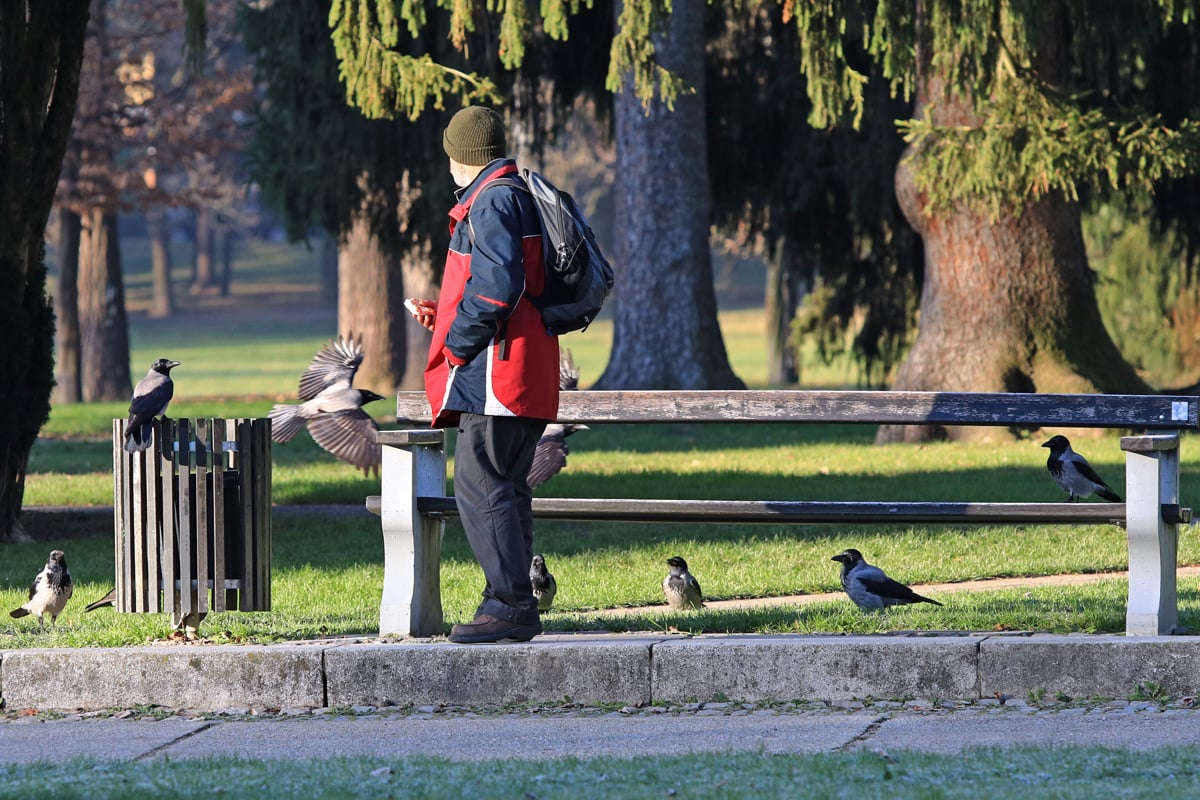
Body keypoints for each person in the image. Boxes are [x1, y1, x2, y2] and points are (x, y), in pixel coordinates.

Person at [407, 106, 560, 644]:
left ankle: (508, 605)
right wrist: (445, 314)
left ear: (461, 156)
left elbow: (497, 288)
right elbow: (503, 284)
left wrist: (454, 343)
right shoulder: (516, 194)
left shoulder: (492, 199)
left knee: (482, 488)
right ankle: (513, 600)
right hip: (523, 370)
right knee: (507, 488)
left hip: (498, 374)